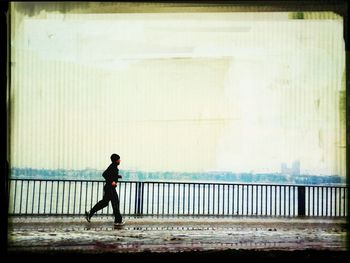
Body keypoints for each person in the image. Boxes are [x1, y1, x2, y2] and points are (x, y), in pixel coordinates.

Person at [85, 153, 124, 225]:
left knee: (105, 203)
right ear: (116, 160)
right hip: (110, 188)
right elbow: (104, 174)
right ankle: (118, 221)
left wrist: (117, 176)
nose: (120, 161)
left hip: (109, 188)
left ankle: (90, 213)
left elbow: (110, 174)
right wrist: (112, 182)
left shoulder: (113, 167)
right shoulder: (113, 166)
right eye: (119, 159)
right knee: (115, 203)